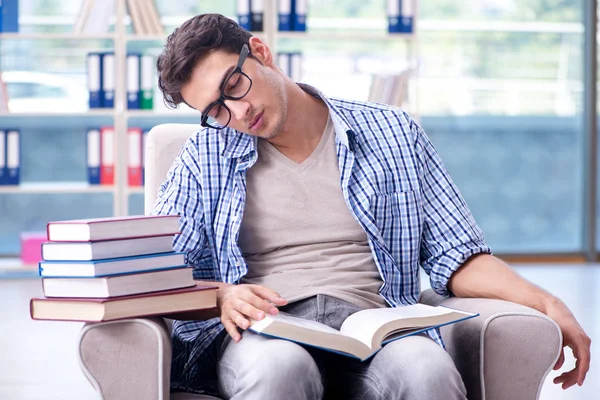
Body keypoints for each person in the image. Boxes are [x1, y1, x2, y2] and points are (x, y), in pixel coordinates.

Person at [153, 13, 591, 400]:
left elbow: (456, 255)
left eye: (234, 85)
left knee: (427, 370)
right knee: (278, 369)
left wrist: (546, 302)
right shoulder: (203, 157)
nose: (238, 111)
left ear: (262, 53)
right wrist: (224, 294)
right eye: (216, 109)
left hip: (373, 324)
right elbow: (159, 272)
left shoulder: (392, 132)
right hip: (268, 331)